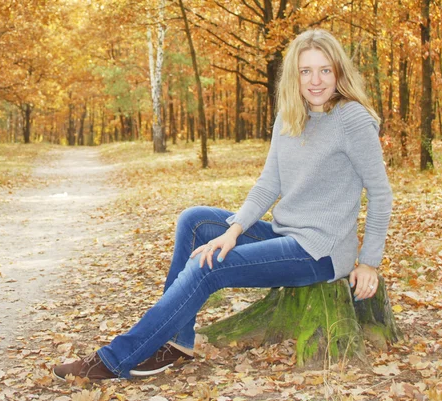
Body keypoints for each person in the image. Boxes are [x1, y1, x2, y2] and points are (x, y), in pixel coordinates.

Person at [52, 28, 393, 381]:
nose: (316, 80)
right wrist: (234, 230)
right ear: (295, 75)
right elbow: (268, 184)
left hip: (320, 252)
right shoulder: (290, 117)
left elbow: (381, 193)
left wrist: (369, 262)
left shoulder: (351, 119)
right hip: (284, 234)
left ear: (338, 70)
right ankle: (178, 342)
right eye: (306, 71)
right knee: (195, 221)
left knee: (208, 267)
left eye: (325, 70)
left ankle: (113, 359)